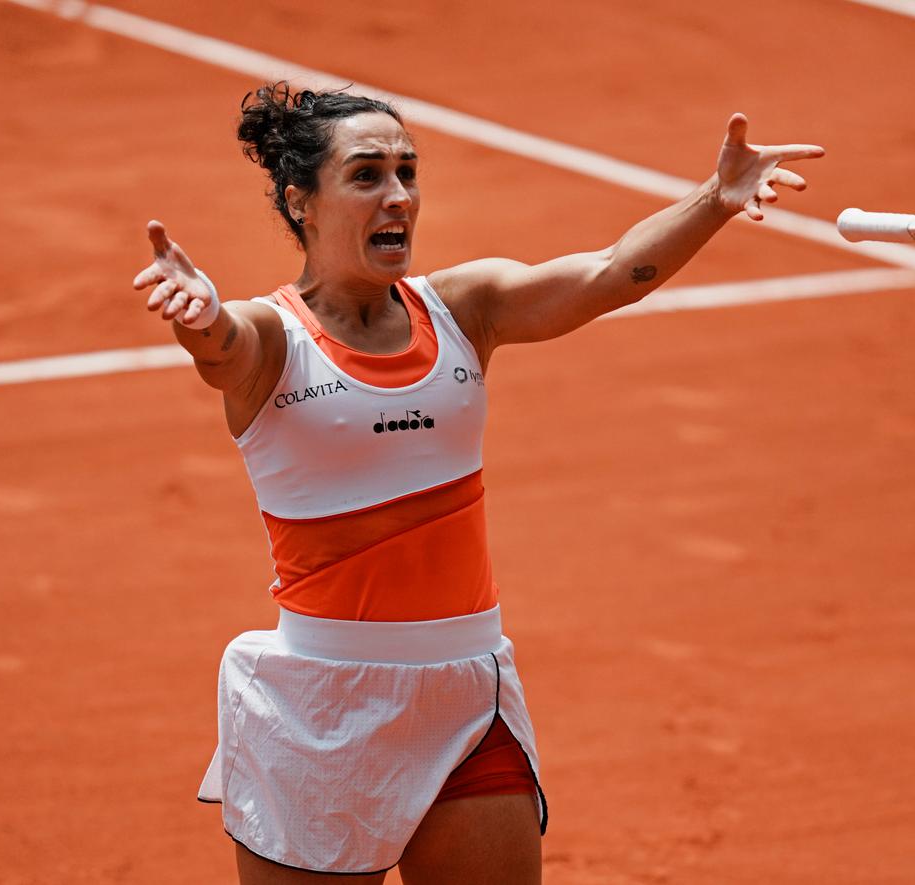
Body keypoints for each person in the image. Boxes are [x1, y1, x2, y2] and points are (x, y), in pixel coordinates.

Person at [132, 82, 822, 885]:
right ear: (301, 202)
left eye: (407, 171)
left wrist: (715, 200)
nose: (398, 195)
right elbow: (222, 345)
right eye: (366, 175)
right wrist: (200, 315)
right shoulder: (274, 339)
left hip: (466, 697)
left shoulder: (465, 308)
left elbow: (608, 273)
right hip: (320, 704)